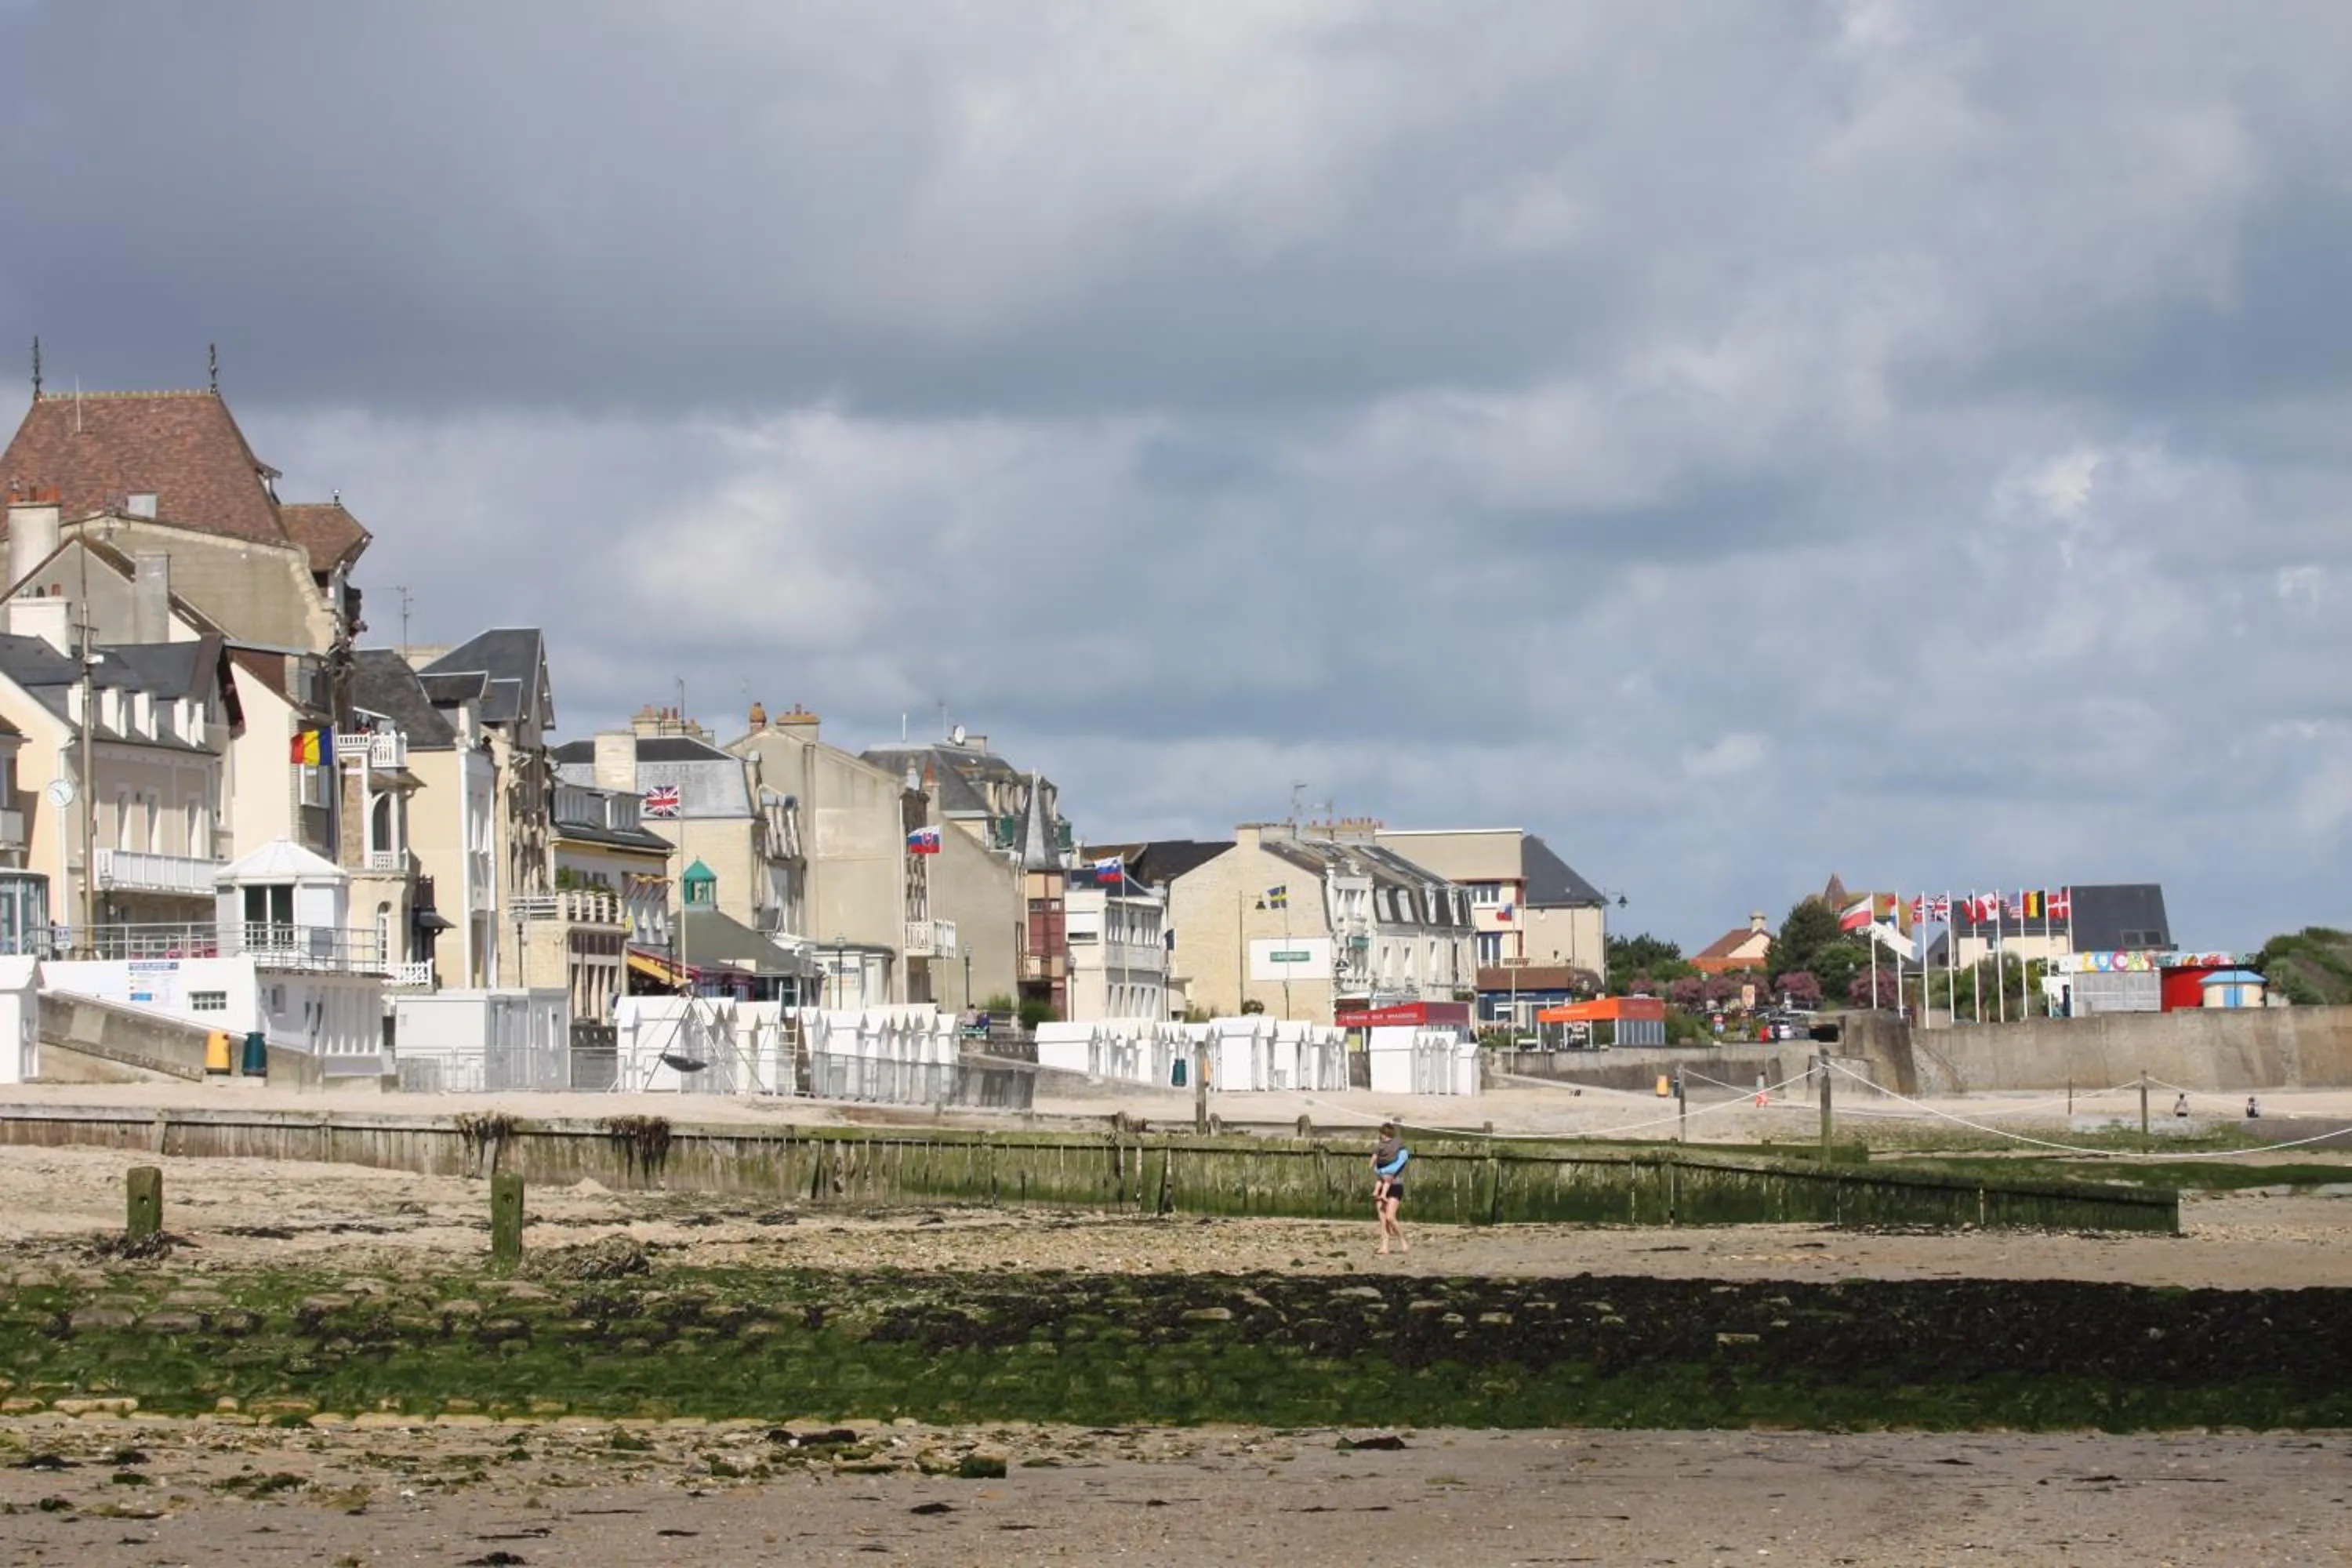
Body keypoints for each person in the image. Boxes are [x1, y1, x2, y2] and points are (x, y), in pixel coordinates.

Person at [1371, 1122, 1410, 1256]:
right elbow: (1376, 1166)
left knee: (1390, 1217)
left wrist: (1384, 1171)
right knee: (1382, 1219)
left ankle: (1402, 1239)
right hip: (1382, 1185)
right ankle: (1384, 1245)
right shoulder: (1382, 1150)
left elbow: (1396, 1168)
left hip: (1396, 1185)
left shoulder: (1402, 1152)